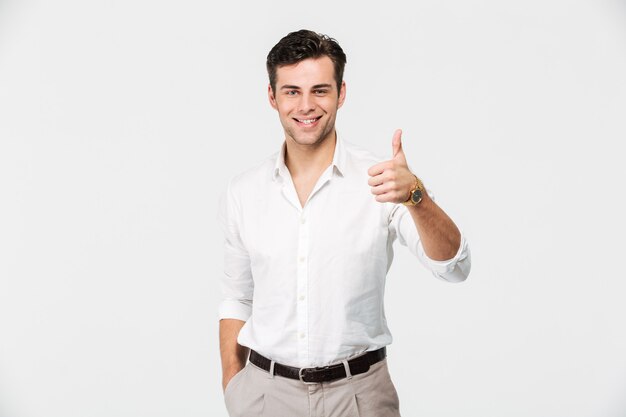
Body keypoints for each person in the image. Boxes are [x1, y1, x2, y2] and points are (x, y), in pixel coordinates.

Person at [217, 29, 471, 417]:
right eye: (291, 91)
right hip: (264, 399)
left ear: (341, 93)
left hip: (360, 397)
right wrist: (234, 386)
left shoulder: (384, 180)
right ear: (272, 96)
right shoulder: (244, 192)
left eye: (320, 90)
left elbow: (455, 267)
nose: (306, 105)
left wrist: (416, 197)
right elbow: (237, 297)